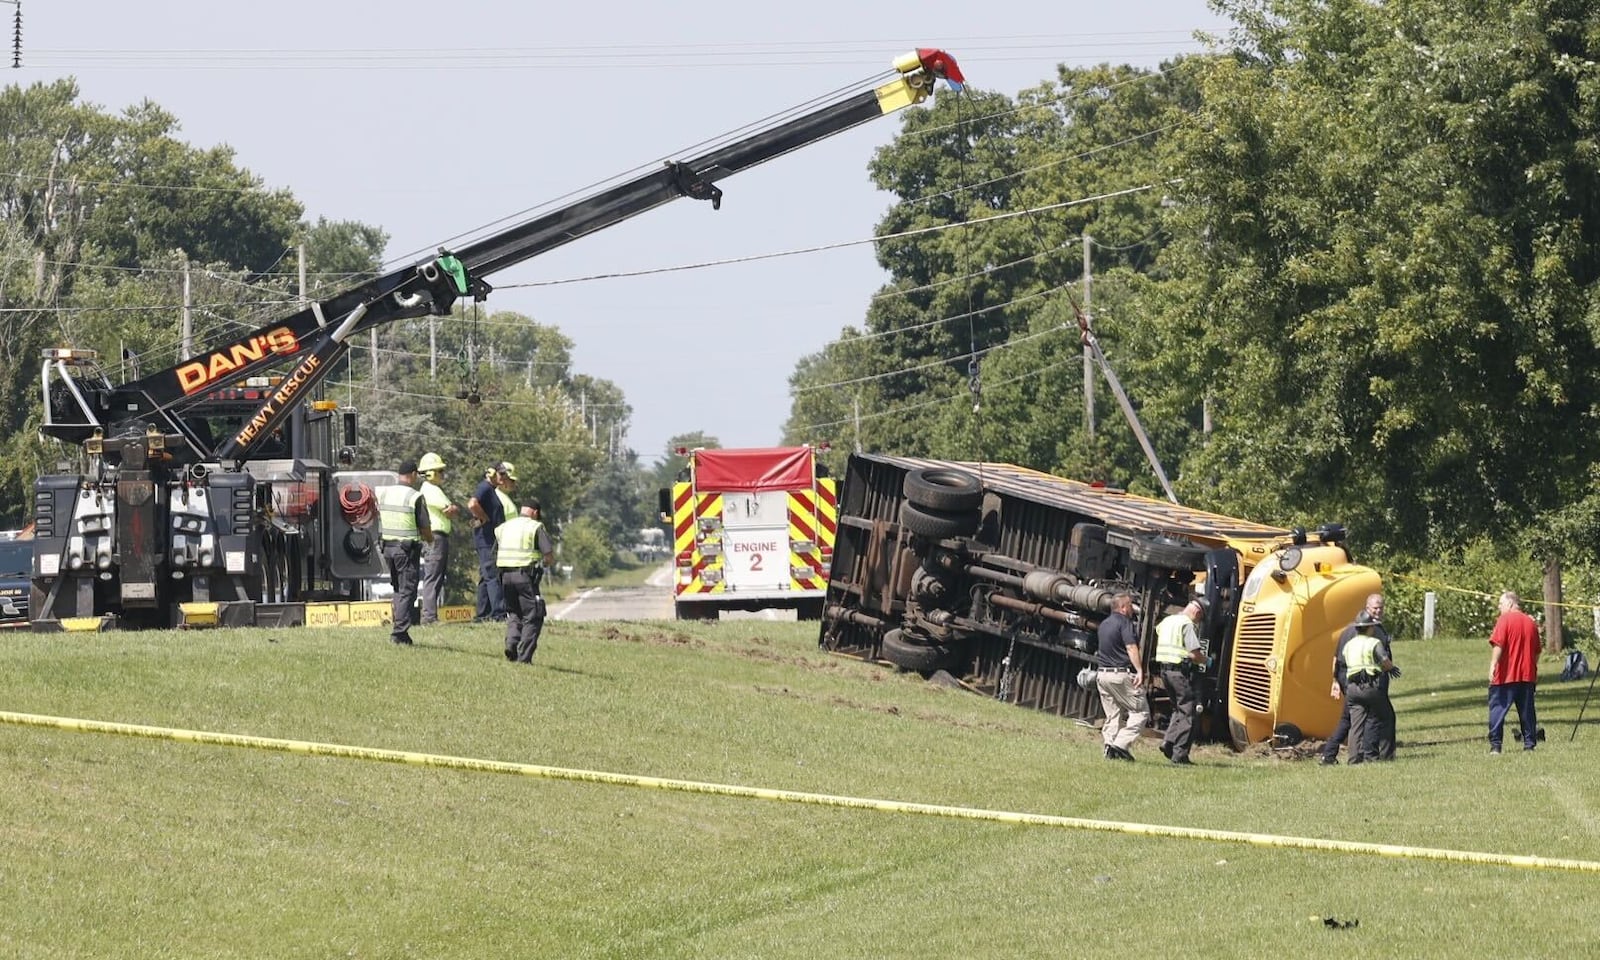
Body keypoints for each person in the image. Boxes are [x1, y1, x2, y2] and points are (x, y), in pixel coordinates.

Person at [1320, 593, 1394, 765]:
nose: (1378, 611)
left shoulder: (1348, 630)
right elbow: (1338, 659)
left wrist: (1335, 681)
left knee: (1350, 719)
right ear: (1367, 608)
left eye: (1381, 607)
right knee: (1376, 717)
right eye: (1375, 608)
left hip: (1350, 681)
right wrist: (1335, 682)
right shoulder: (1370, 631)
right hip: (1365, 681)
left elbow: (1336, 658)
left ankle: (1333, 755)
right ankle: (1375, 755)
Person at [376, 459, 433, 646]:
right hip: (406, 550)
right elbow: (424, 526)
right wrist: (431, 540)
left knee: (399, 590)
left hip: (388, 549)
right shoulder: (414, 496)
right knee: (408, 590)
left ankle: (401, 631)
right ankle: (399, 633)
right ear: (414, 474)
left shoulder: (384, 493)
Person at [495, 500, 555, 664]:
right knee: (534, 615)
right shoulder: (535, 527)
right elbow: (548, 554)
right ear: (535, 512)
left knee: (514, 612)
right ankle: (524, 658)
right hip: (525, 577)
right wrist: (545, 564)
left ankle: (511, 644)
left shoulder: (503, 527)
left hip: (505, 576)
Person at [1488, 591, 1542, 754]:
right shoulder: (1531, 623)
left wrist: (1493, 664)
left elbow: (1498, 644)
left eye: (1501, 604)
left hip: (1506, 675)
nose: (1499, 607)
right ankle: (1529, 744)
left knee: (1497, 710)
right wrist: (1532, 666)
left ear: (1510, 604)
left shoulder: (1504, 620)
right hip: (1527, 675)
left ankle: (1496, 746)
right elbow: (1537, 651)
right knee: (1527, 712)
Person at [1096, 591, 1147, 761]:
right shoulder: (1125, 623)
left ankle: (1109, 747)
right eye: (1131, 604)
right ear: (1123, 607)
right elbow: (1131, 647)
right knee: (1140, 711)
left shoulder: (1104, 624)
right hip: (1120, 675)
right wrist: (1139, 670)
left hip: (1102, 675)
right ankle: (1120, 744)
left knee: (1113, 714)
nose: (1133, 608)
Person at [1155, 599, 1206, 765]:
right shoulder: (1187, 624)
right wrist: (1207, 661)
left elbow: (1160, 634)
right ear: (1197, 613)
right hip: (1178, 672)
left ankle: (1168, 743)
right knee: (1188, 710)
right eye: (1200, 619)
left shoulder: (1167, 621)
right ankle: (1180, 754)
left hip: (1164, 671)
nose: (1198, 622)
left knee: (1178, 708)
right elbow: (1195, 654)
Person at [468, 461, 518, 622]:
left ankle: (482, 614)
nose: (503, 477)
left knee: (485, 577)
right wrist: (484, 518)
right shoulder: (484, 488)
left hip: (489, 539)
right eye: (501, 474)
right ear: (491, 473)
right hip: (486, 540)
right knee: (493, 576)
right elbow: (472, 504)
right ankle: (499, 613)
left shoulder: (491, 490)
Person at [416, 452, 460, 626]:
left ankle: (430, 615)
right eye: (440, 471)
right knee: (433, 576)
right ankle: (428, 617)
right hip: (435, 537)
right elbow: (449, 510)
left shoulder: (434, 489)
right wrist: (453, 508)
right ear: (430, 473)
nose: (443, 474)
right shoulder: (430, 490)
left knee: (436, 576)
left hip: (437, 537)